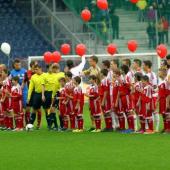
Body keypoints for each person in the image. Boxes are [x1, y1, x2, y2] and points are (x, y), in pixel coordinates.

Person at [143, 60, 159, 132]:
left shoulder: (152, 74)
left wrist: (153, 92)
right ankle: (149, 128)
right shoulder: (146, 74)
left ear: (146, 66)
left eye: (143, 65)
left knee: (154, 111)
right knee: (148, 111)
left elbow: (154, 85)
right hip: (148, 95)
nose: (142, 66)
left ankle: (157, 128)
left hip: (152, 95)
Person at [23, 60, 38, 125]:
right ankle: (27, 124)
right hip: (30, 93)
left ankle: (38, 124)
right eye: (35, 65)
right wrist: (21, 88)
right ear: (32, 65)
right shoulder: (27, 73)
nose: (36, 66)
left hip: (37, 93)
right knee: (27, 109)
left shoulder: (38, 73)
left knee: (38, 109)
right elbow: (24, 81)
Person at [158, 67, 170, 133]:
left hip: (165, 99)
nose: (158, 73)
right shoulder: (160, 81)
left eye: (159, 72)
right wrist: (157, 101)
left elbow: (168, 93)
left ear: (164, 72)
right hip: (161, 100)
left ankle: (168, 128)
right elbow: (160, 92)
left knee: (167, 113)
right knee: (163, 114)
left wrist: (167, 102)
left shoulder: (166, 81)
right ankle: (165, 127)